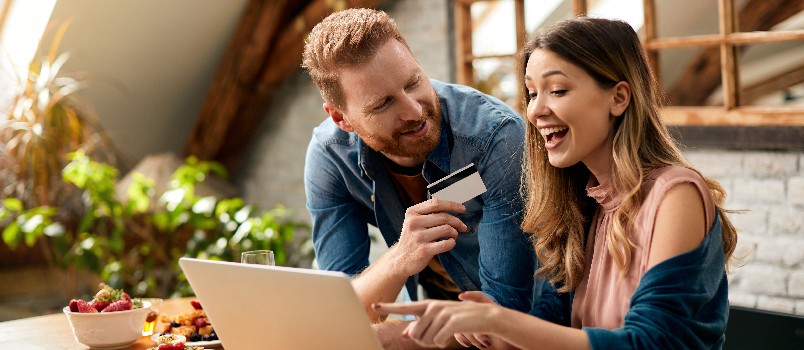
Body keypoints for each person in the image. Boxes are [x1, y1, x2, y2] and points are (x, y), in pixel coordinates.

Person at [374, 17, 739, 349]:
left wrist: (501, 322)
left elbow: (653, 342)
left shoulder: (675, 195)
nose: (535, 111)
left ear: (618, 97)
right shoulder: (583, 203)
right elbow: (551, 323)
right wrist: (483, 331)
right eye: (532, 93)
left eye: (558, 91)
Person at [301, 8, 537, 349]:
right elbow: (339, 307)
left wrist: (388, 338)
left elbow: (506, 312)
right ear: (341, 118)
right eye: (383, 103)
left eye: (414, 82)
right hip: (438, 323)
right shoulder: (331, 157)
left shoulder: (494, 139)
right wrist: (400, 258)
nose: (414, 111)